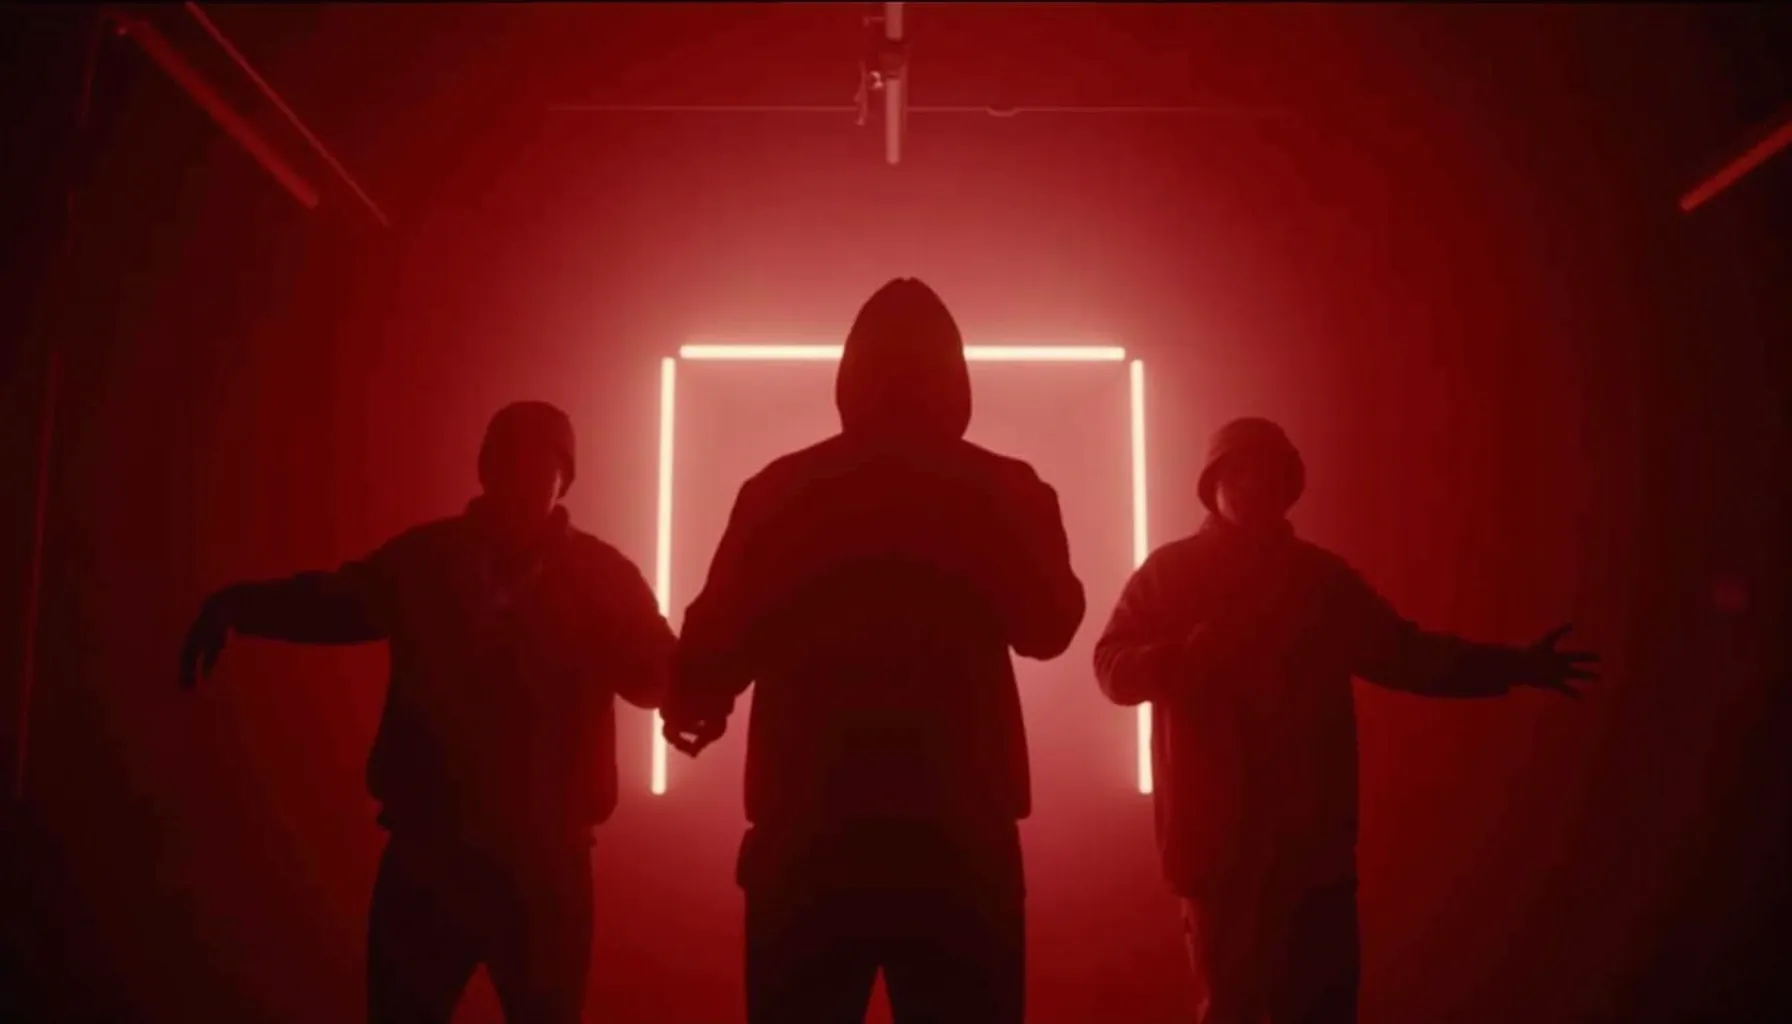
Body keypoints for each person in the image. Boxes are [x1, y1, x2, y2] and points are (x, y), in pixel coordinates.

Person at [661, 278, 1086, 1024]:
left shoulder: (782, 488)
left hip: (808, 829)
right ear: (955, 377)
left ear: (851, 374)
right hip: (960, 833)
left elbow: (716, 643)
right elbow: (1049, 629)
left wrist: (694, 701)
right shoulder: (1005, 487)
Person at [179, 401, 674, 1024]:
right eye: (511, 463)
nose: (523, 481)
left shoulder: (558, 573)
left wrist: (236, 607)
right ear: (487, 470)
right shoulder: (445, 563)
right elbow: (336, 602)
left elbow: (656, 672)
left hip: (513, 861)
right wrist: (238, 606)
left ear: (563, 480)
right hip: (464, 857)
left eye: (538, 467)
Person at [1092, 416, 1598, 1024]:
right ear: (1213, 484)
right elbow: (1111, 669)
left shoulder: (1316, 582)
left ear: (1287, 488)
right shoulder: (1177, 576)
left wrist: (1513, 666)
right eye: (1240, 472)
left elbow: (1408, 655)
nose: (1253, 485)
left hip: (1297, 853)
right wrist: (1187, 658)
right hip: (1233, 856)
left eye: (1266, 474)